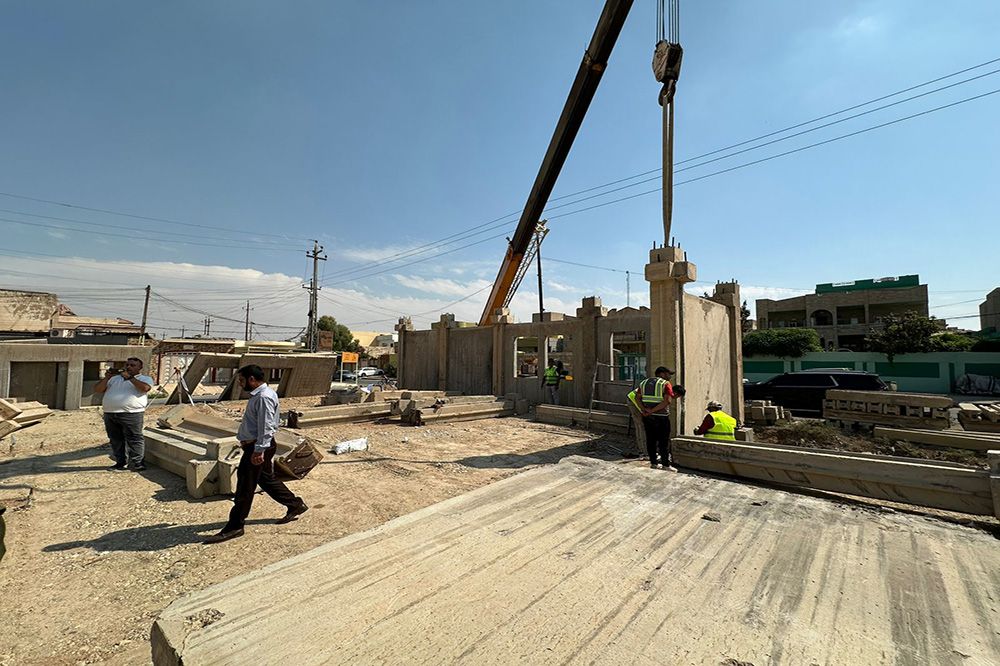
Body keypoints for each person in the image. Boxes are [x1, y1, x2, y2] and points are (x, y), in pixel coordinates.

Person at [205, 365, 308, 544]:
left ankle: (235, 526)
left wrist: (259, 450)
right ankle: (295, 504)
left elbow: (267, 426)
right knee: (266, 479)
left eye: (242, 380)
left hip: (258, 448)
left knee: (245, 486)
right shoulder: (261, 395)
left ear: (252, 379)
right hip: (257, 446)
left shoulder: (263, 397)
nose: (240, 383)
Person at [94, 357, 153, 471]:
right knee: (116, 439)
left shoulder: (144, 378)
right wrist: (107, 378)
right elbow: (98, 389)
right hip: (111, 413)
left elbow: (145, 388)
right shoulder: (114, 379)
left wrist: (130, 378)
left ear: (140, 368)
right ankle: (120, 462)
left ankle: (138, 462)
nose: (129, 367)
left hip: (131, 413)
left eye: (132, 365)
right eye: (127, 365)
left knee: (134, 438)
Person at [635, 366, 685, 470]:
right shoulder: (665, 384)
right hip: (661, 417)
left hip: (648, 417)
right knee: (664, 441)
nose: (670, 376)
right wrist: (652, 410)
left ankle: (654, 463)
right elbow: (667, 401)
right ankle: (665, 465)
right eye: (668, 374)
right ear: (662, 374)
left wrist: (644, 409)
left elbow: (637, 398)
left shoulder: (644, 383)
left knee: (651, 440)